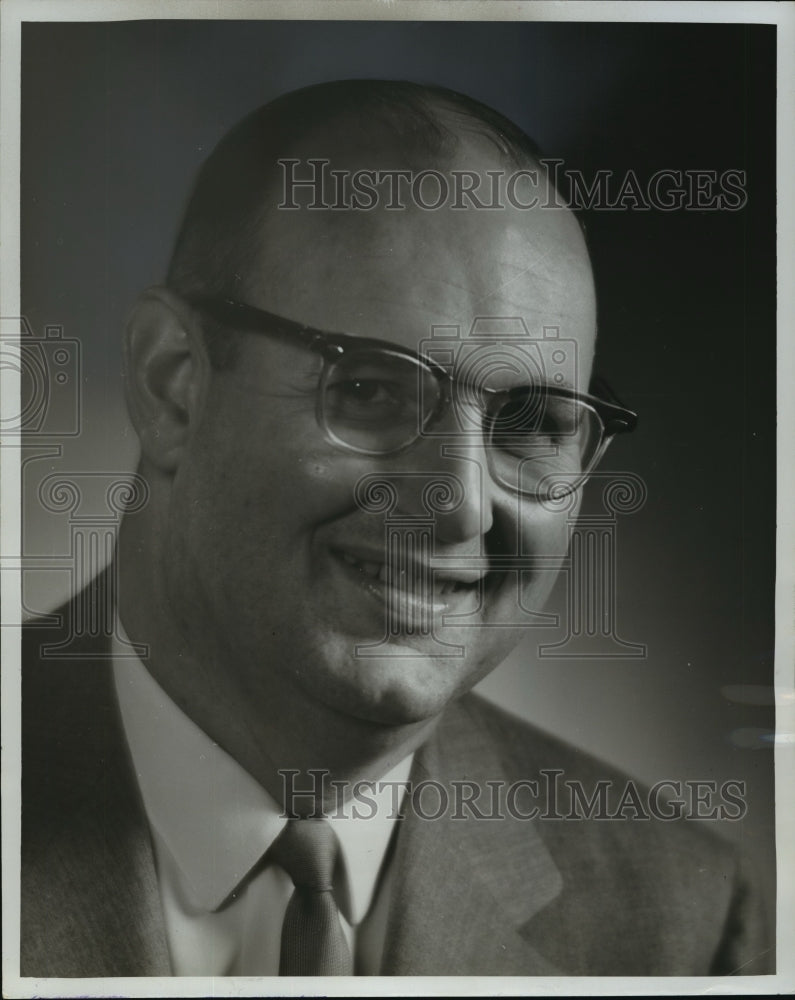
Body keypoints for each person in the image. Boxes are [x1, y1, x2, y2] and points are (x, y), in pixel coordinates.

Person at [20, 80, 771, 978]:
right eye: (372, 390)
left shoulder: (678, 919)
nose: (457, 503)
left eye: (531, 422)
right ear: (172, 384)